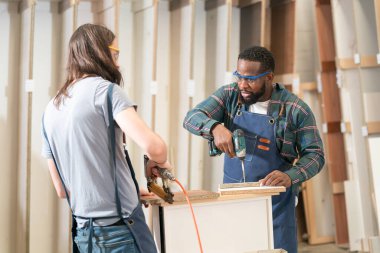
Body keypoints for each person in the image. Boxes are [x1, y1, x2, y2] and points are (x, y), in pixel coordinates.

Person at [183, 46, 325, 253]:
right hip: (233, 202)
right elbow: (191, 118)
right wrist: (214, 127)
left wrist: (291, 176)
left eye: (250, 79)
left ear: (269, 77)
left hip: (275, 205)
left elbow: (315, 155)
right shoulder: (230, 96)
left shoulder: (295, 109)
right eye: (239, 76)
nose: (242, 84)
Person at [41, 24, 169, 253]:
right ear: (99, 51)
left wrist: (124, 188)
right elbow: (155, 147)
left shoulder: (51, 107)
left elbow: (62, 190)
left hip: (84, 236)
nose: (118, 63)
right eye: (115, 53)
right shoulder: (106, 92)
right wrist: (156, 161)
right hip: (121, 233)